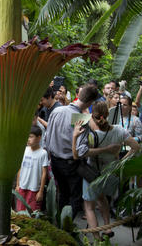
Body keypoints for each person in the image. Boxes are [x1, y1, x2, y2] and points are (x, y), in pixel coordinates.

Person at [73, 101, 140, 241]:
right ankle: (107, 228)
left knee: (89, 206)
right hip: (110, 171)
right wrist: (121, 162)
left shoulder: (90, 133)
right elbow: (136, 147)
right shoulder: (119, 130)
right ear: (108, 115)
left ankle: (97, 237)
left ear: (93, 116)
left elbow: (82, 153)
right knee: (103, 199)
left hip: (93, 172)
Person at [46, 85, 99, 216]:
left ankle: (60, 223)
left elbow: (47, 137)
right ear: (90, 102)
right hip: (70, 164)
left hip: (55, 161)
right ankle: (67, 226)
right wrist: (105, 149)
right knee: (75, 197)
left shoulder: (57, 111)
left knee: (63, 194)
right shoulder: (80, 118)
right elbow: (81, 151)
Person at [15, 126, 49, 212]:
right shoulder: (24, 150)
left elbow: (44, 173)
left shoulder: (43, 153)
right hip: (22, 187)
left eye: (30, 137)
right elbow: (20, 168)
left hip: (34, 189)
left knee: (32, 213)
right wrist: (18, 185)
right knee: (20, 212)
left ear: (39, 138)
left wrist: (41, 191)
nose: (28, 139)